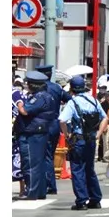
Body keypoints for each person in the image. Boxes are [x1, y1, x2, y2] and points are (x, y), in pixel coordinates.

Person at [61, 75, 109, 210]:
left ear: (72, 89)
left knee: (77, 169)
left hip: (78, 139)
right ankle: (95, 198)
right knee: (90, 169)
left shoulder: (73, 102)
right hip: (91, 139)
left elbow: (62, 120)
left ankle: (81, 200)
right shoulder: (93, 100)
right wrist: (98, 134)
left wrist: (67, 135)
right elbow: (105, 118)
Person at [16, 71, 60, 201]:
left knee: (30, 163)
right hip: (38, 133)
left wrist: (18, 101)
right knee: (38, 163)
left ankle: (31, 192)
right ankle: (39, 191)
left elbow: (24, 111)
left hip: (32, 133)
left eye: (28, 83)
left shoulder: (39, 97)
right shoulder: (46, 95)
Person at [37, 65, 69, 195]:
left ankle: (48, 184)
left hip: (41, 125)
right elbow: (70, 100)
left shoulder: (38, 88)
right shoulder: (57, 88)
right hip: (55, 124)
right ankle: (49, 184)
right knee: (49, 154)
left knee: (43, 155)